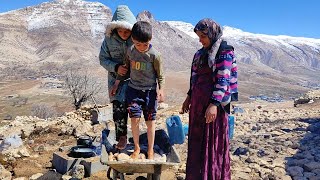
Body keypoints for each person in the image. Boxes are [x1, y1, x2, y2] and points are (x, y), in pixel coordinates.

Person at [181, 18, 238, 179]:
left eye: (203, 36)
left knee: (213, 145)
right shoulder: (199, 54)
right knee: (197, 144)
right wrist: (189, 97)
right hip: (198, 107)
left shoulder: (224, 52)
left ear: (212, 34)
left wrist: (213, 104)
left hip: (214, 109)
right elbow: (195, 78)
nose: (200, 40)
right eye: (198, 36)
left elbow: (223, 79)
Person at [119, 21, 165, 159]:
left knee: (150, 122)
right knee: (134, 119)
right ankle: (137, 148)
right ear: (133, 39)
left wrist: (161, 89)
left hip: (150, 92)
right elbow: (125, 67)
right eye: (138, 44)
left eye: (145, 44)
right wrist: (117, 83)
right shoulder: (130, 51)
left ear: (150, 40)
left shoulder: (155, 55)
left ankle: (150, 150)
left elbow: (160, 74)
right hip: (133, 90)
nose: (142, 48)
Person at [99, 5, 136, 150]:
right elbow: (103, 59)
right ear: (114, 29)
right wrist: (115, 67)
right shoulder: (108, 41)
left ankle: (136, 137)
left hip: (134, 80)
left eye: (127, 31)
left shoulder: (136, 39)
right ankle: (122, 137)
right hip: (115, 81)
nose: (123, 33)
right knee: (118, 109)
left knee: (134, 108)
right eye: (120, 30)